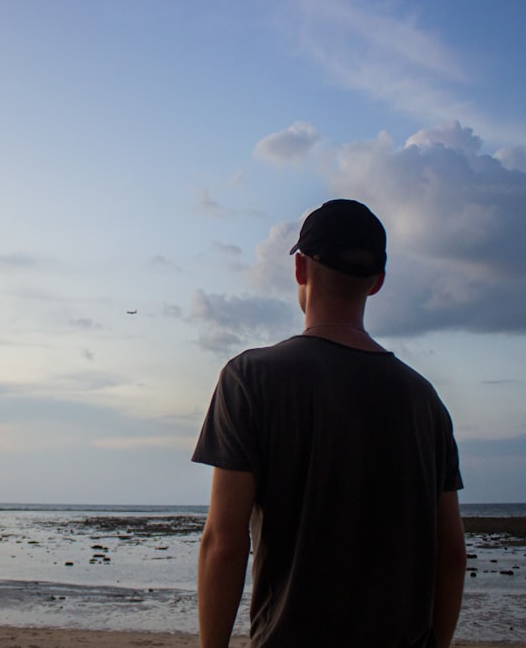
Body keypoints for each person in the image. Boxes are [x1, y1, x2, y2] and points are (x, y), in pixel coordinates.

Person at [192, 199, 465, 647]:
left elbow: (224, 543)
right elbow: (451, 554)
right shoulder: (425, 401)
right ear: (376, 282)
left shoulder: (250, 379)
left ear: (300, 269)